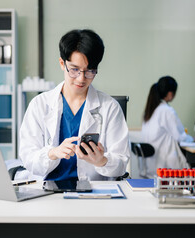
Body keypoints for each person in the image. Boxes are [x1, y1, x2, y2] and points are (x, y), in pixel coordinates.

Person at [19, 29, 130, 181]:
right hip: (47, 192)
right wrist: (53, 153)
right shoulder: (39, 105)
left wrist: (102, 161)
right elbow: (28, 158)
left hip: (92, 193)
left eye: (89, 71)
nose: (81, 78)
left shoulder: (109, 107)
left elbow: (121, 163)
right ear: (62, 64)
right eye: (74, 70)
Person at [141, 76, 194, 178]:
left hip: (151, 167)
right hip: (165, 168)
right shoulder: (166, 111)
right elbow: (180, 137)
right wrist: (192, 138)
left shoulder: (149, 111)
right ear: (170, 94)